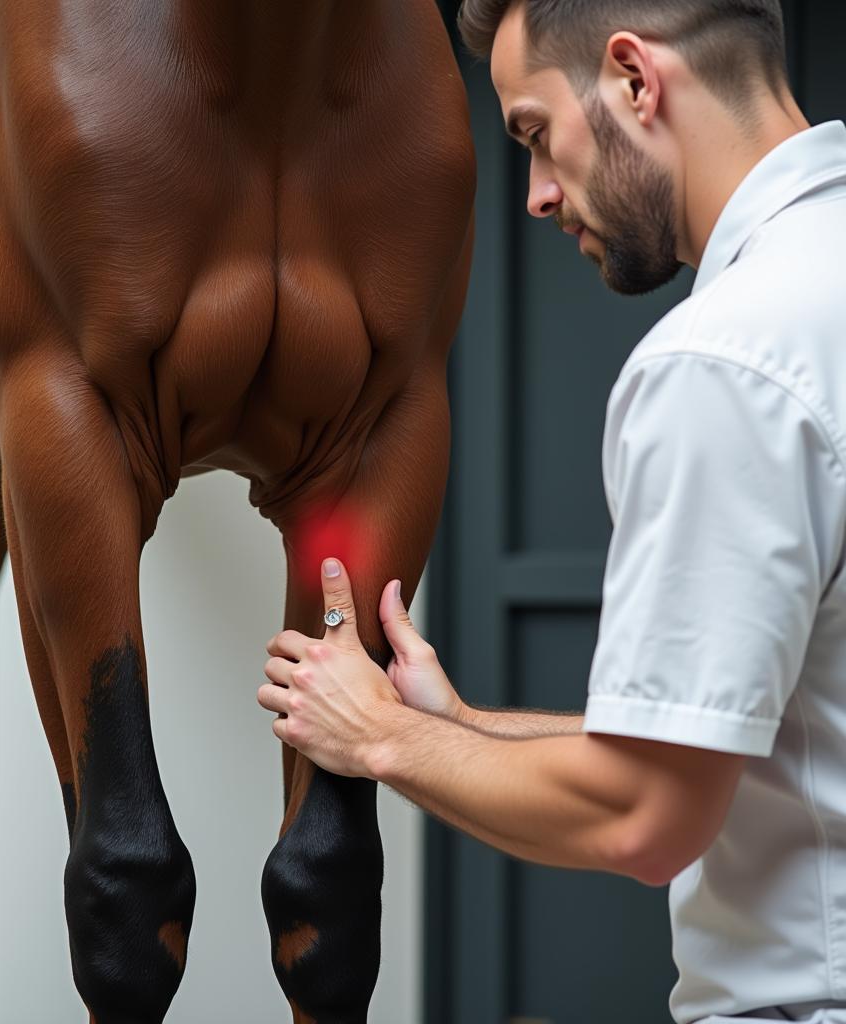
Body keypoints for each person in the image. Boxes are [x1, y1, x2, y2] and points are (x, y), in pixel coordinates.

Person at [257, 1, 846, 1022]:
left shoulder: (721, 362)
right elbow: (741, 738)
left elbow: (646, 813)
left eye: (534, 133)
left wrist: (375, 739)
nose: (532, 195)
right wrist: (461, 726)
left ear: (632, 78)